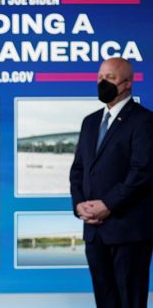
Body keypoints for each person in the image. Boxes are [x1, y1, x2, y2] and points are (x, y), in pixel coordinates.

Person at [70, 57, 153, 308]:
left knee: (130, 301)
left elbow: (143, 172)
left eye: (110, 78)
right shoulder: (90, 122)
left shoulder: (144, 121)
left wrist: (108, 204)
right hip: (95, 233)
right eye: (99, 77)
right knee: (104, 301)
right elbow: (79, 170)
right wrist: (79, 206)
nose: (102, 83)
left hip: (128, 230)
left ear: (128, 83)